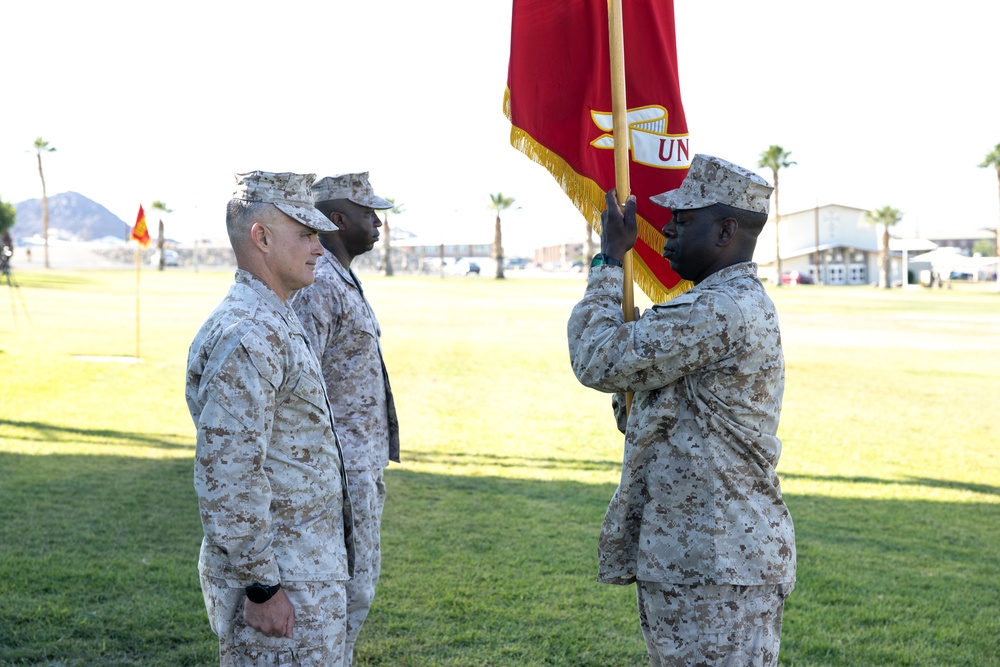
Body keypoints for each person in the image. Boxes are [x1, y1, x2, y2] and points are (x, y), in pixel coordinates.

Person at [567, 154, 796, 667]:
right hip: (696, 556)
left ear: (726, 231)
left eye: (684, 220)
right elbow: (649, 410)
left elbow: (597, 358)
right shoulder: (717, 303)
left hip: (718, 563)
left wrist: (609, 262)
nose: (665, 229)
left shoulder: (718, 308)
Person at [186, 170, 355, 666]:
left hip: (304, 571)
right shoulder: (249, 334)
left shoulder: (274, 317)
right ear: (260, 237)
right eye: (305, 234)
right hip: (282, 582)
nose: (320, 249)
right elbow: (228, 472)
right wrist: (262, 587)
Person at [289, 172, 400, 665]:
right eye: (367, 213)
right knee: (336, 604)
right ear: (336, 219)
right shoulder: (318, 286)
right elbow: (296, 385)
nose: (377, 223)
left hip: (358, 469)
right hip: (335, 476)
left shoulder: (338, 276)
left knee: (353, 599)